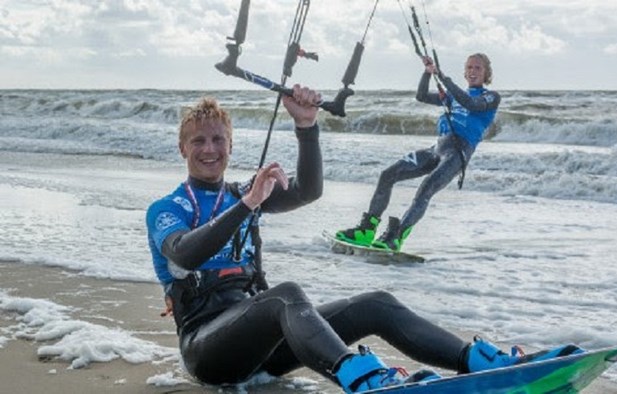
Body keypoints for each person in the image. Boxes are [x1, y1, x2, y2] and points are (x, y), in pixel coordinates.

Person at [146, 85, 581, 393]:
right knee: (286, 296)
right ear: (182, 149)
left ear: (231, 145)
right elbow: (187, 250)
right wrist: (249, 204)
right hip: (208, 352)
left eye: (218, 139)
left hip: (261, 350)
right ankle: (360, 378)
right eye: (198, 141)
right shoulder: (167, 209)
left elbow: (308, 190)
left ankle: (483, 364)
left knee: (376, 302)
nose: (209, 149)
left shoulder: (245, 193)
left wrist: (307, 126)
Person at [336, 53, 501, 252]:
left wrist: (443, 76)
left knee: (426, 189)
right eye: (469, 68)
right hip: (437, 149)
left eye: (478, 68)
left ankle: (395, 237)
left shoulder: (490, 97)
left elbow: (471, 104)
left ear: (486, 73)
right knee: (388, 175)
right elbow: (421, 95)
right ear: (465, 73)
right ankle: (366, 230)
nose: (473, 71)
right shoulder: (452, 97)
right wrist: (428, 73)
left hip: (458, 153)